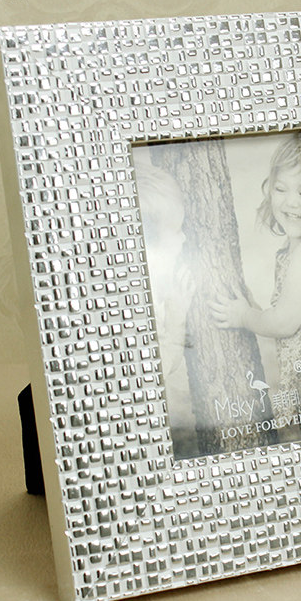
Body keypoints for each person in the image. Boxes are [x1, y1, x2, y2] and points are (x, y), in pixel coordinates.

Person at [210, 136, 301, 438]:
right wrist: (254, 307)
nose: (290, 202)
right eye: (280, 188)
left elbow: (284, 322)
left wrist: (244, 316)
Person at [136, 160, 197, 457]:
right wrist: (178, 315)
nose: (184, 238)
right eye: (176, 231)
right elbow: (161, 366)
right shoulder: (151, 303)